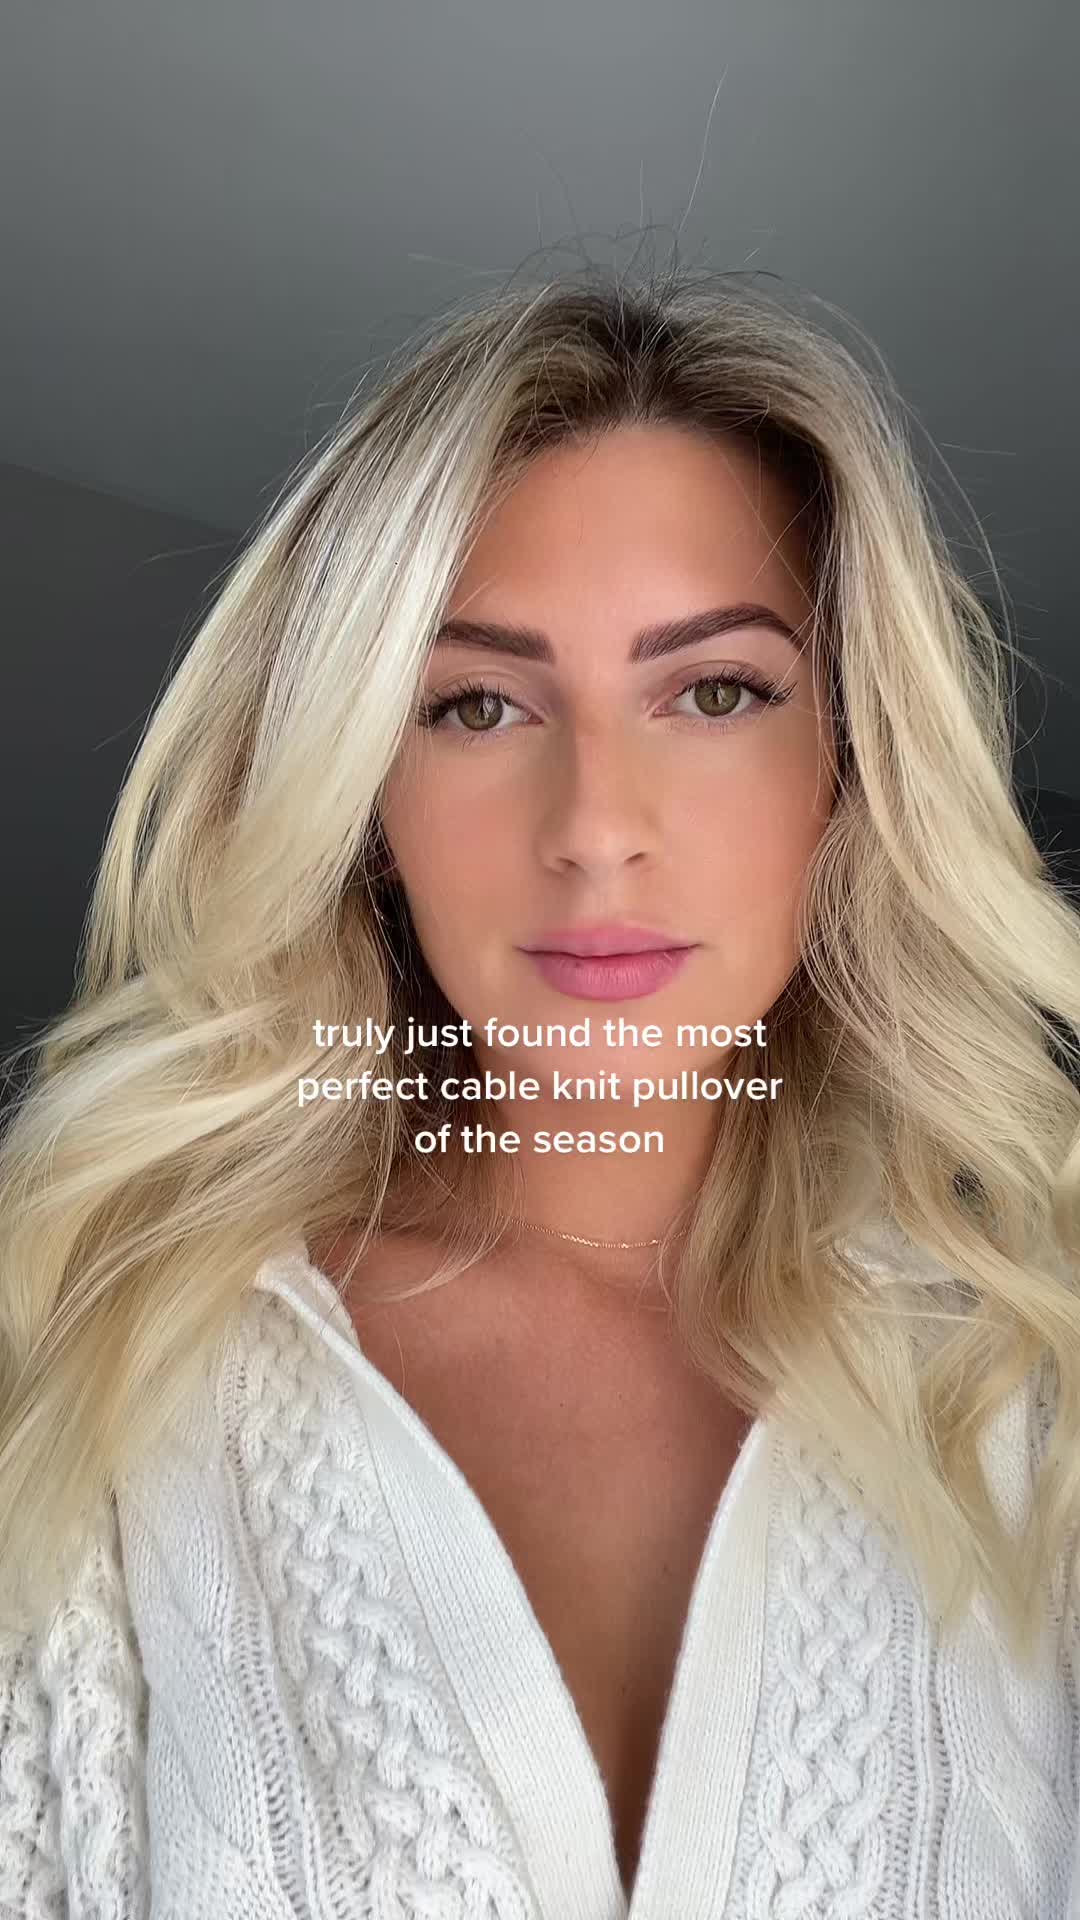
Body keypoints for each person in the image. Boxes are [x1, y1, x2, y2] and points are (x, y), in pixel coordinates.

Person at [2, 264, 1080, 1918]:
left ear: (851, 770)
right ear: (364, 794)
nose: (593, 827)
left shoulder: (1031, 1384)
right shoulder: (98, 1367)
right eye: (478, 704)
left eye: (715, 691)